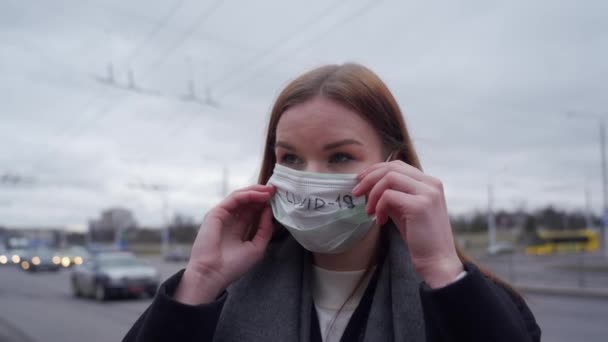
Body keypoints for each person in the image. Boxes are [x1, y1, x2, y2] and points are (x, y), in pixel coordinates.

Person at [123, 63, 541, 342]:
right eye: (289, 158)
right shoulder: (215, 294)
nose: (311, 178)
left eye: (340, 156)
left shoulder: (467, 296)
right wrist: (202, 278)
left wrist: (444, 271)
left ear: (394, 164)